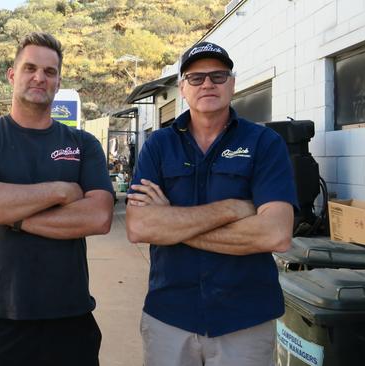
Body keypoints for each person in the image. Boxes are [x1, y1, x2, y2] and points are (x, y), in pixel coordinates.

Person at [125, 41, 298, 366]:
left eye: (218, 76)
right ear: (182, 89)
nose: (207, 84)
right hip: (170, 318)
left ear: (232, 84)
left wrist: (170, 224)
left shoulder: (264, 144)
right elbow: (138, 226)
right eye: (196, 77)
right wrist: (233, 210)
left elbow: (276, 234)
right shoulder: (159, 147)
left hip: (246, 320)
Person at [0, 32, 114, 366]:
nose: (39, 77)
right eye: (30, 68)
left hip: (70, 316)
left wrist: (10, 212)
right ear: (12, 74)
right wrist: (62, 192)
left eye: (49, 72)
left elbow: (98, 217)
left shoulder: (83, 144)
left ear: (58, 81)